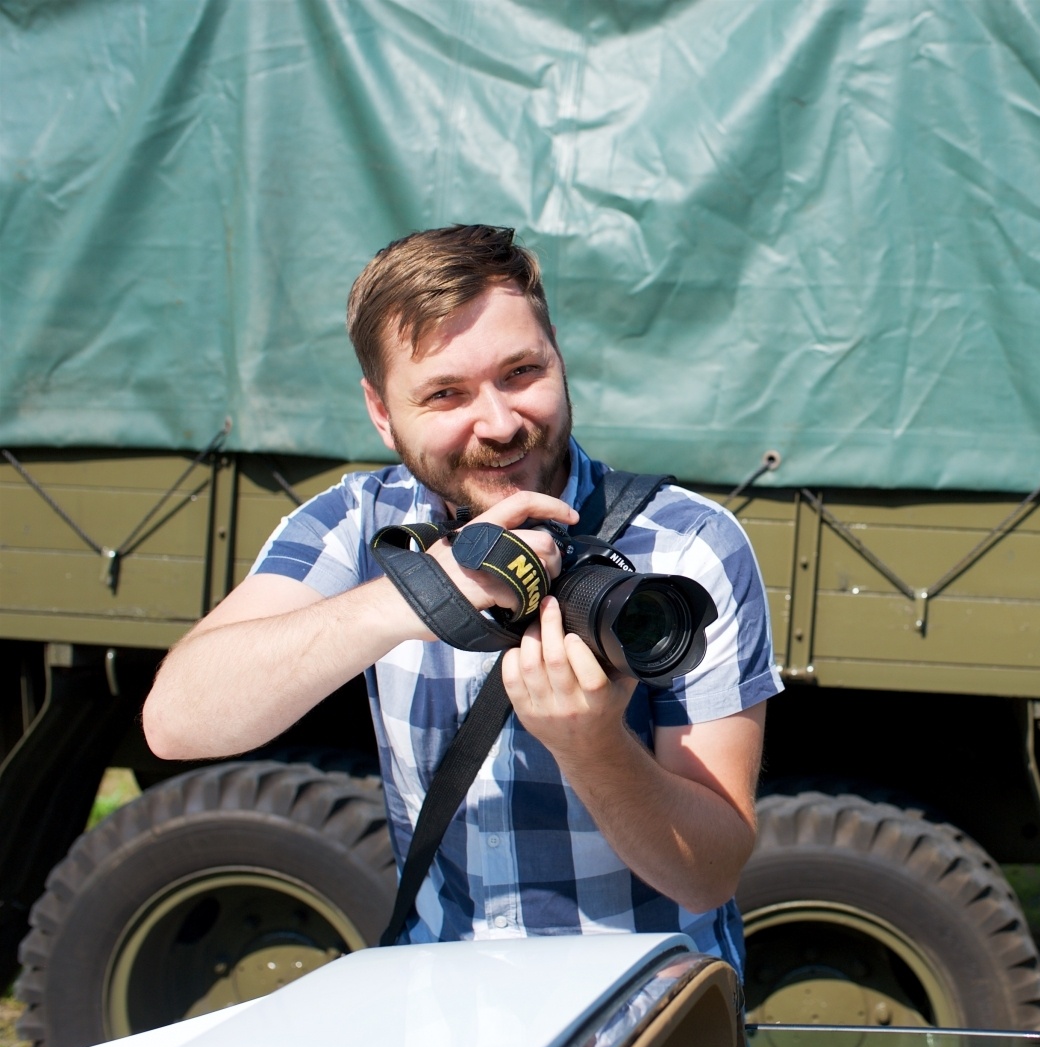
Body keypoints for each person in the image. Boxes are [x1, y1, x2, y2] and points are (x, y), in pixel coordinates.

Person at [143, 224, 782, 969]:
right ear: (382, 411)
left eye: (521, 372)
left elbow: (709, 871)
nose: (501, 423)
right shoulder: (358, 527)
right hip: (447, 1008)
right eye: (445, 392)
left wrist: (594, 747)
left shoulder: (687, 544)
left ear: (560, 360)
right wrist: (413, 598)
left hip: (644, 1011)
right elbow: (176, 721)